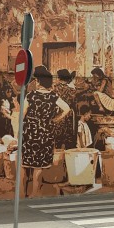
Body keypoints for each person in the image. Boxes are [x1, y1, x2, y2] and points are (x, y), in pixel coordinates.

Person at [22, 65, 70, 197]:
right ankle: (34, 192)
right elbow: (67, 108)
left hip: (30, 132)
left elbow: (22, 115)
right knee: (38, 166)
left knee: (25, 164)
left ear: (38, 81)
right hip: (45, 133)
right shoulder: (53, 97)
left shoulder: (30, 95)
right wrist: (55, 119)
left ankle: (22, 193)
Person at [53, 69, 77, 149]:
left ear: (59, 78)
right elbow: (74, 103)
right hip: (69, 115)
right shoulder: (72, 91)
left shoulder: (54, 89)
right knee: (68, 139)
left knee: (57, 139)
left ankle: (57, 158)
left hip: (58, 114)